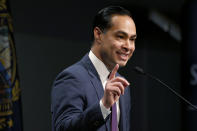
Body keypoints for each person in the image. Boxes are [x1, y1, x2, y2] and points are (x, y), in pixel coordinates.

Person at [51, 5, 137, 131]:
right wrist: (103, 106)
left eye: (132, 39)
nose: (128, 46)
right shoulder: (72, 77)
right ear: (98, 35)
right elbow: (63, 128)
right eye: (120, 37)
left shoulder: (121, 84)